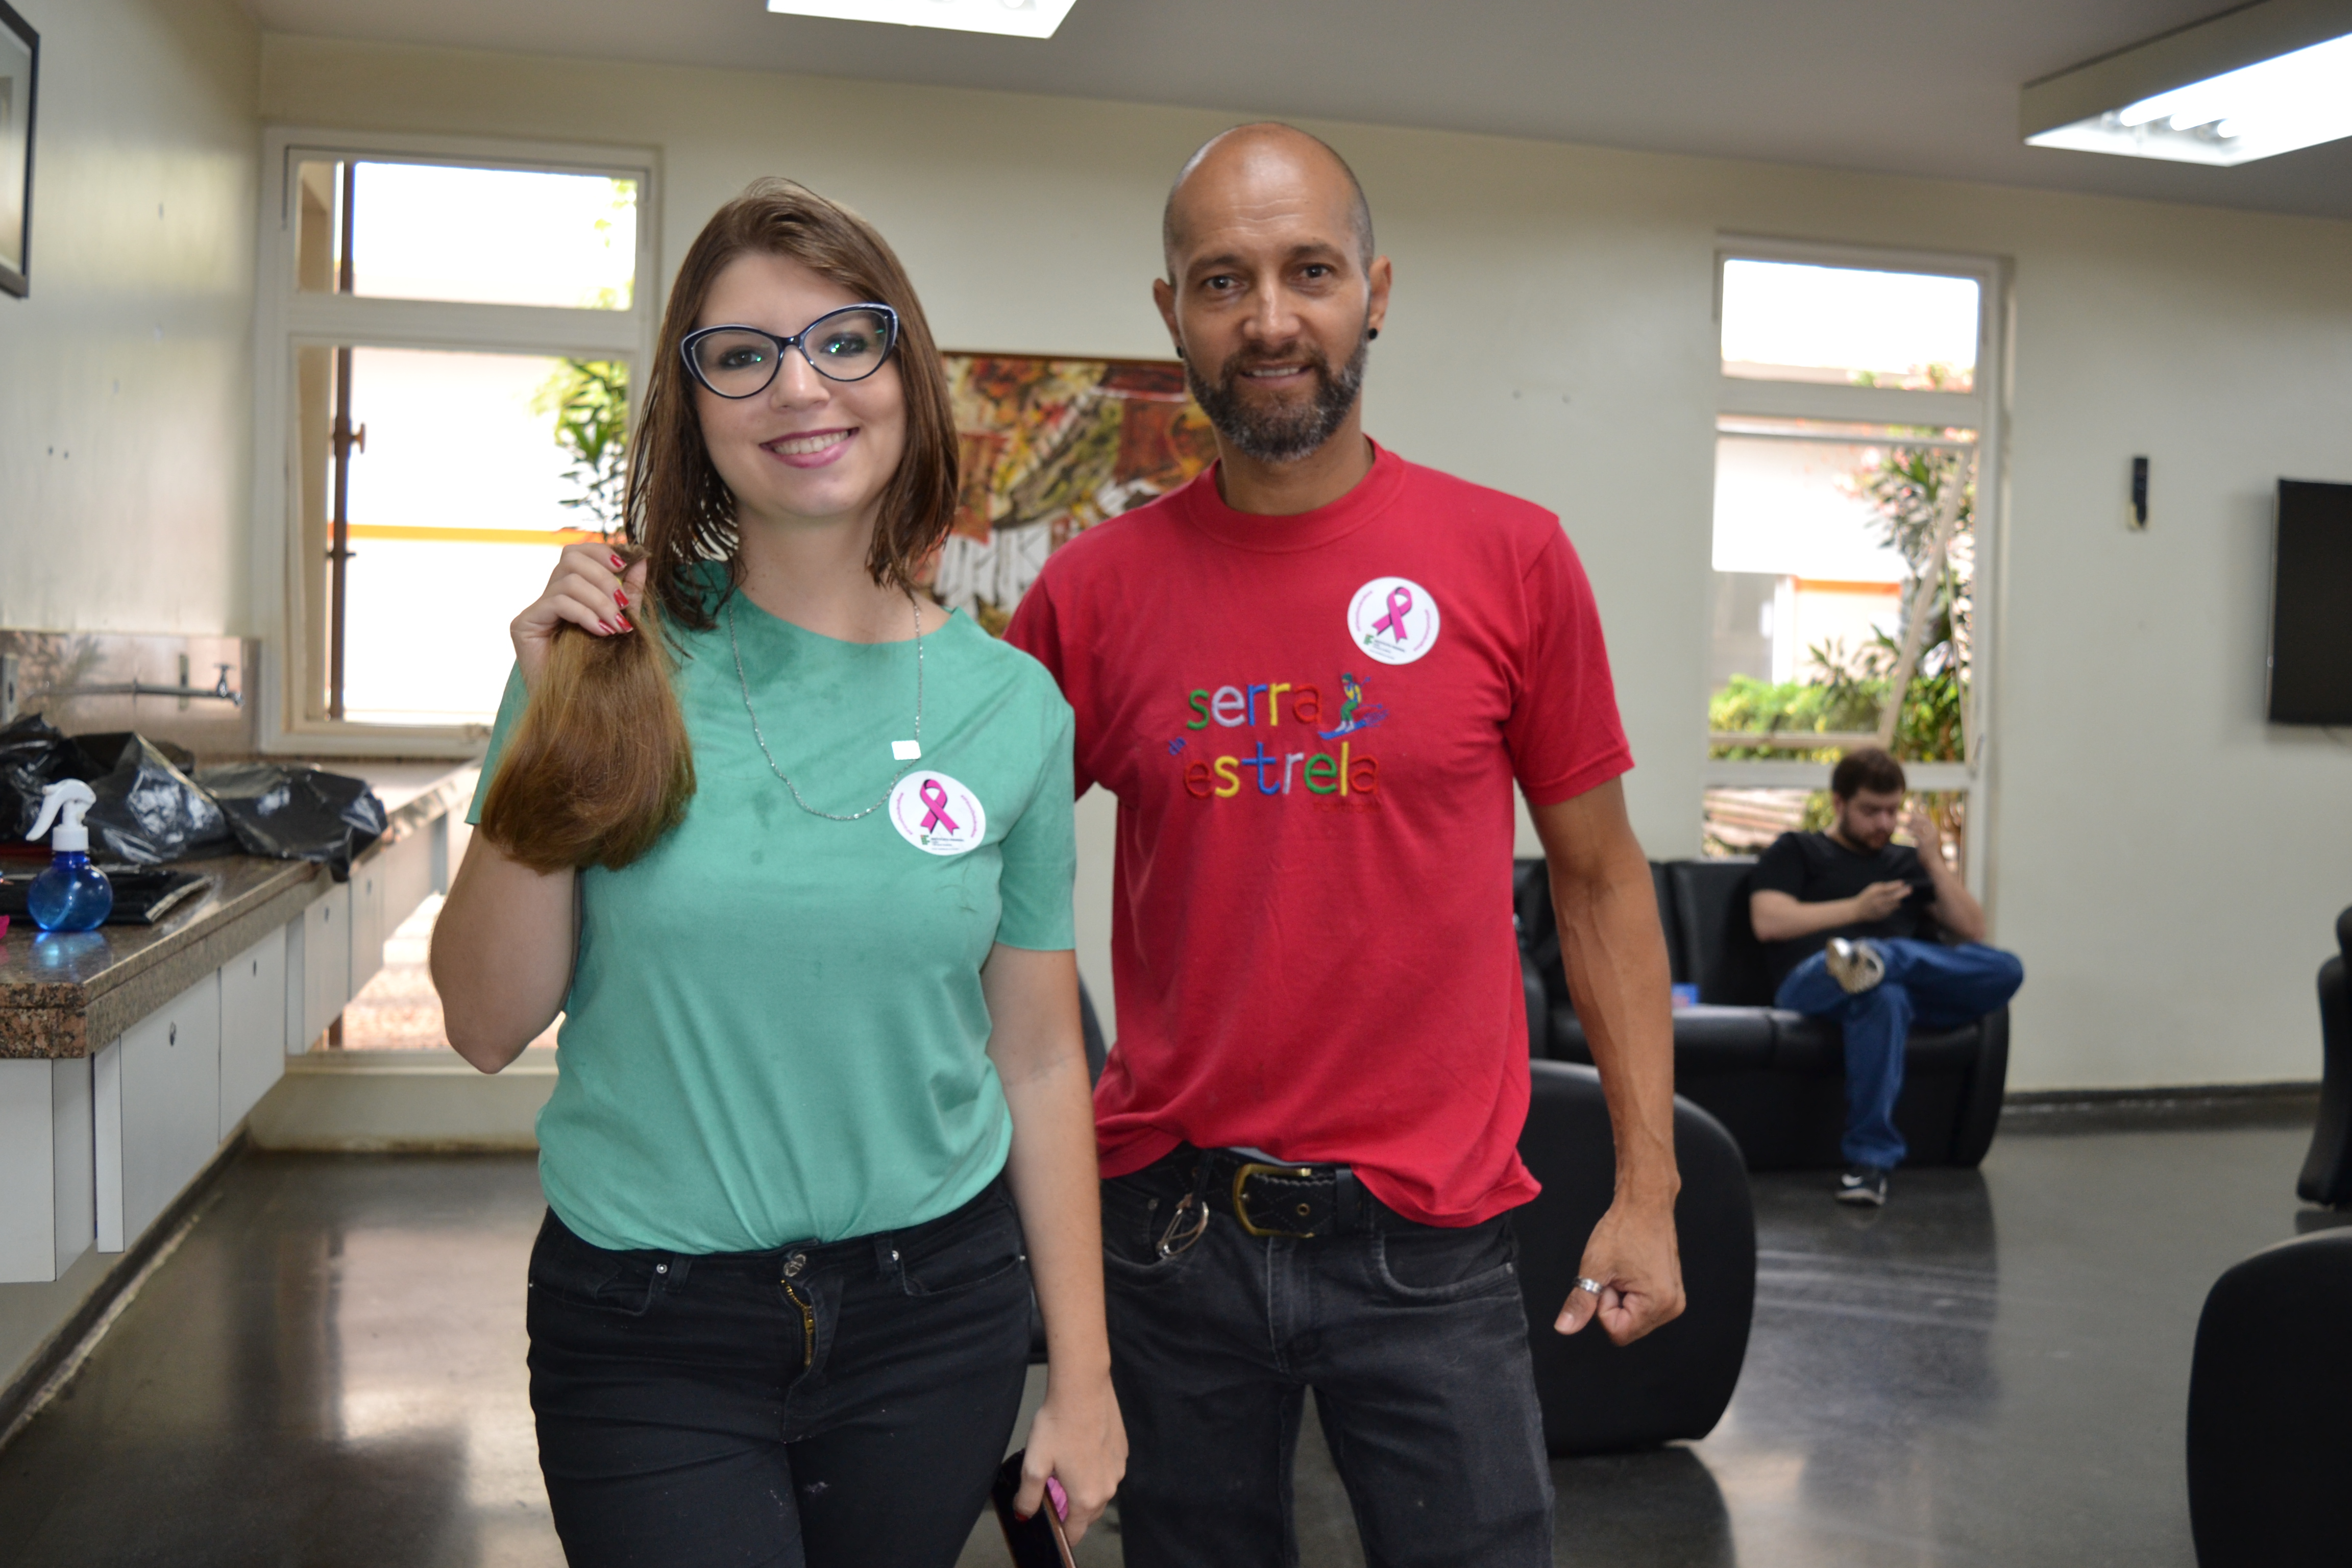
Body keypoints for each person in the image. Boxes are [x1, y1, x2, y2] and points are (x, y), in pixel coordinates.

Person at [1004, 124, 1683, 1567]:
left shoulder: (1513, 560)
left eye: (1308, 271)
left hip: (1431, 1241)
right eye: (1222, 280)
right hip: (1170, 1233)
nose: (1269, 319)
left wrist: (1648, 1189)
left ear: (1374, 291)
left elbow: (1600, 879)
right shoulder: (1090, 595)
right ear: (1172, 312)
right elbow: (960, 888)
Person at [430, 178, 1124, 1567]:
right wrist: (555, 730)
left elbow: (1042, 1057)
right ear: (693, 407)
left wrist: (1088, 1378)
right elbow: (486, 1022)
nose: (800, 387)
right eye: (742, 356)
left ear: (905, 374)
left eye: (844, 341)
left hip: (935, 1313)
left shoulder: (1014, 708)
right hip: (650, 1325)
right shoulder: (604, 655)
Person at [1748, 746, 2025, 1207]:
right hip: (1813, 980)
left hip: (1898, 990)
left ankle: (1869, 1168)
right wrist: (1856, 910)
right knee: (1874, 982)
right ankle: (1868, 959)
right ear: (1839, 803)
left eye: (1893, 811)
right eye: (1871, 811)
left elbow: (1972, 928)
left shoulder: (1906, 864)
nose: (1884, 823)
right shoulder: (1797, 850)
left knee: (2002, 969)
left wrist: (1934, 862)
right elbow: (1769, 921)